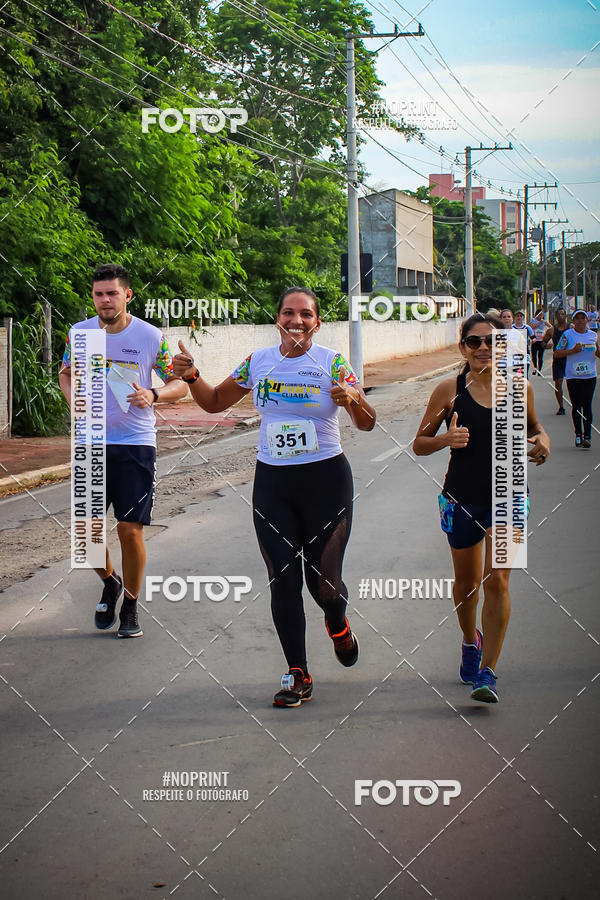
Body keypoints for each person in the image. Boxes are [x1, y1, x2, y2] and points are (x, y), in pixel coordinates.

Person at [172, 286, 376, 707]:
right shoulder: (259, 362)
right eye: (288, 313)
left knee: (324, 585)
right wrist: (191, 376)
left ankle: (337, 624)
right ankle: (297, 673)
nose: (296, 321)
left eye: (305, 315)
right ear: (277, 319)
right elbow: (212, 403)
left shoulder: (333, 363)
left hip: (326, 483)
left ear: (317, 322)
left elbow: (368, 423)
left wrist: (353, 400)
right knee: (282, 580)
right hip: (273, 485)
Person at [412, 313, 550, 703]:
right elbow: (419, 443)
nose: (484, 349)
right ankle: (470, 641)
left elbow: (536, 429)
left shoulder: (519, 388)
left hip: (510, 497)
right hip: (461, 498)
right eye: (474, 342)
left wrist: (543, 442)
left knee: (499, 581)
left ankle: (488, 672)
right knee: (467, 585)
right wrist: (446, 440)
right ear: (463, 348)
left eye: (492, 342)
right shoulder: (448, 391)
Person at [59, 264, 187, 637]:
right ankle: (111, 582)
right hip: (90, 442)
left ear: (127, 295)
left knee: (129, 530)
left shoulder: (149, 336)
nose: (104, 300)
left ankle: (130, 604)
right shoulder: (80, 333)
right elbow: (66, 373)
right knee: (86, 535)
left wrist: (154, 394)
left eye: (112, 293)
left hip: (134, 444)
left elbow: (181, 384)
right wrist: (73, 403)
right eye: (99, 294)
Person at [554, 309, 600, 448]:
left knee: (587, 405)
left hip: (590, 376)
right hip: (573, 376)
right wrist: (572, 351)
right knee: (577, 405)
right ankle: (578, 434)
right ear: (573, 321)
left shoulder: (593, 335)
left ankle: (588, 436)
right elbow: (557, 353)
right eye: (577, 318)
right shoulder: (568, 335)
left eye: (583, 318)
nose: (580, 320)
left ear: (587, 320)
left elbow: (597, 352)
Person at [548, 308, 569, 414]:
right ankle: (561, 407)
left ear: (565, 316)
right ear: (556, 316)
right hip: (557, 360)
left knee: (572, 384)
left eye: (563, 314)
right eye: (559, 314)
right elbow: (543, 342)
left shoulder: (571, 329)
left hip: (569, 359)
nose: (561, 316)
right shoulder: (552, 330)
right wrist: (547, 345)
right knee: (558, 383)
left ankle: (577, 404)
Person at [529, 307, 552, 375]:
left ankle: (539, 370)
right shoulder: (533, 320)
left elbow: (551, 327)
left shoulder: (544, 321)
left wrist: (545, 324)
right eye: (539, 315)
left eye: (542, 315)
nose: (540, 316)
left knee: (540, 356)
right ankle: (535, 368)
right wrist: (539, 323)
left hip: (541, 341)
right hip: (535, 340)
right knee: (534, 356)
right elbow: (532, 327)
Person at [512, 310, 533, 377]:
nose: (519, 318)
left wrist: (530, 341)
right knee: (516, 374)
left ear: (523, 318)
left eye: (521, 316)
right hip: (514, 352)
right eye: (517, 316)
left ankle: (526, 385)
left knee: (524, 373)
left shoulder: (527, 327)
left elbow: (534, 338)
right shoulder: (512, 328)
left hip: (524, 351)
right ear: (514, 318)